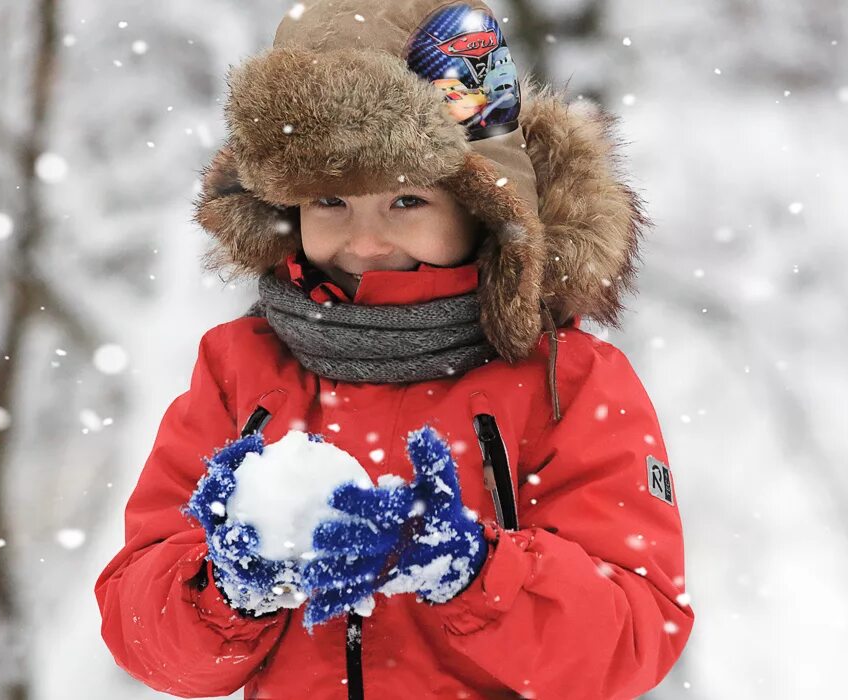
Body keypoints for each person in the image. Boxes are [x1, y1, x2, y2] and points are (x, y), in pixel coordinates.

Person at [94, 2, 694, 698]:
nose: (366, 241)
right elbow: (140, 631)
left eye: (406, 201)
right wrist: (224, 588)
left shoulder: (572, 381)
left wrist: (474, 570)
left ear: (482, 206)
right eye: (330, 202)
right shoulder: (240, 369)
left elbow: (630, 637)